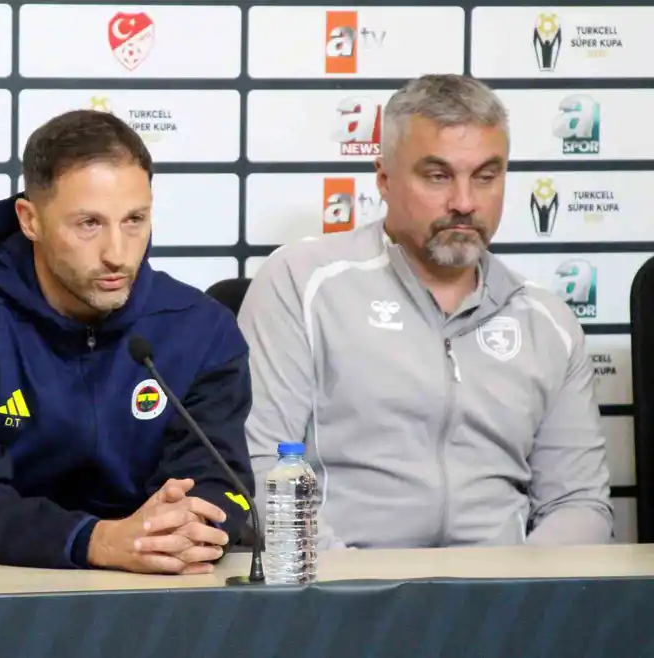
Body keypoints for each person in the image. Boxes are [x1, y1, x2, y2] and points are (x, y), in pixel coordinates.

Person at [0, 109, 255, 573]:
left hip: (153, 584)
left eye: (134, 220)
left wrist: (188, 526)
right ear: (30, 220)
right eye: (89, 223)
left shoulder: (201, 329)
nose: (117, 254)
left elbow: (220, 480)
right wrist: (96, 541)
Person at [238, 74, 613, 549]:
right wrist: (355, 583)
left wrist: (520, 585)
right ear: (384, 179)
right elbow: (260, 468)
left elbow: (578, 503)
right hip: (343, 583)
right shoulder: (301, 282)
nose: (464, 203)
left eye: (486, 176)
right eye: (438, 176)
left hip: (503, 587)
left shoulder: (548, 320)